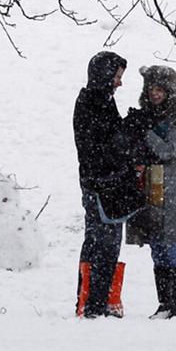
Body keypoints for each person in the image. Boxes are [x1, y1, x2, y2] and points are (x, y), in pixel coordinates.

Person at [72, 51, 141, 319]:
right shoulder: (93, 104)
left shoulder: (100, 101)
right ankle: (95, 304)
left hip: (105, 185)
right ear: (104, 76)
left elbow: (109, 141)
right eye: (117, 77)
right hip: (102, 187)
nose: (119, 83)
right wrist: (128, 132)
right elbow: (102, 148)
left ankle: (95, 301)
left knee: (102, 243)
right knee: (104, 244)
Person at [126, 65, 176, 319]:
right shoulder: (145, 114)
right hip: (148, 189)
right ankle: (164, 303)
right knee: (157, 246)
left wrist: (145, 132)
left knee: (173, 246)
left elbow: (169, 151)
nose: (154, 94)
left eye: (159, 89)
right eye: (151, 89)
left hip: (172, 190)